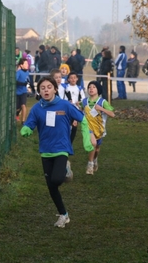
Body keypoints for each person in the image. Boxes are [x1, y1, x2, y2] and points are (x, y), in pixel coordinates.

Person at [20, 76, 93, 228]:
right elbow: (30, 123)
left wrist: (89, 137)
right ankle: (63, 215)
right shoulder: (37, 108)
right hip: (45, 151)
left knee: (56, 179)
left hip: (61, 149)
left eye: (48, 87)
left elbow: (83, 119)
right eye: (42, 88)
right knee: (51, 187)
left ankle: (66, 166)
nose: (46, 90)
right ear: (39, 91)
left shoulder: (65, 105)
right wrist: (26, 129)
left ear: (54, 89)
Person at [79, 80, 115, 175]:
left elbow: (112, 114)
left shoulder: (102, 102)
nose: (91, 89)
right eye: (89, 87)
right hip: (88, 128)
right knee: (93, 144)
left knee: (97, 148)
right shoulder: (84, 101)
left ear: (98, 90)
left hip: (99, 129)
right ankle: (90, 165)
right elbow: (79, 110)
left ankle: (95, 160)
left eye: (93, 87)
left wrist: (101, 109)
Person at [63, 71, 86, 144]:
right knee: (66, 126)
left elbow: (83, 100)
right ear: (68, 79)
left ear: (77, 79)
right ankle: (64, 141)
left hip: (75, 110)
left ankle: (70, 143)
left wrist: (80, 103)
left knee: (74, 126)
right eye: (71, 78)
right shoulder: (65, 87)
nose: (73, 79)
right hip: (66, 110)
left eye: (74, 78)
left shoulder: (79, 88)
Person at [15, 58, 30, 123]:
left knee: (23, 105)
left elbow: (28, 81)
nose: (27, 65)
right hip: (17, 92)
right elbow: (15, 81)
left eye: (27, 63)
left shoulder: (27, 72)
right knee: (18, 107)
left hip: (24, 92)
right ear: (21, 65)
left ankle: (23, 121)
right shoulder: (18, 72)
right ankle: (17, 114)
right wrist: (22, 83)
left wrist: (28, 87)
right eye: (25, 63)